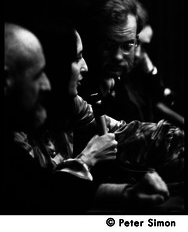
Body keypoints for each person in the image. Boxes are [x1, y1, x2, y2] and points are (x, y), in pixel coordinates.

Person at [4, 22, 171, 215]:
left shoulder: (70, 102)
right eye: (39, 74)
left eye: (129, 45)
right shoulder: (15, 131)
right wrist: (87, 158)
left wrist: (127, 193)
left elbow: (125, 132)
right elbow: (39, 199)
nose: (46, 85)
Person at [77, 0, 184, 126]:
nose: (117, 56)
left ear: (136, 41)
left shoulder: (130, 77)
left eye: (127, 46)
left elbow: (159, 97)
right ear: (93, 41)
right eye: (108, 45)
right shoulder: (80, 87)